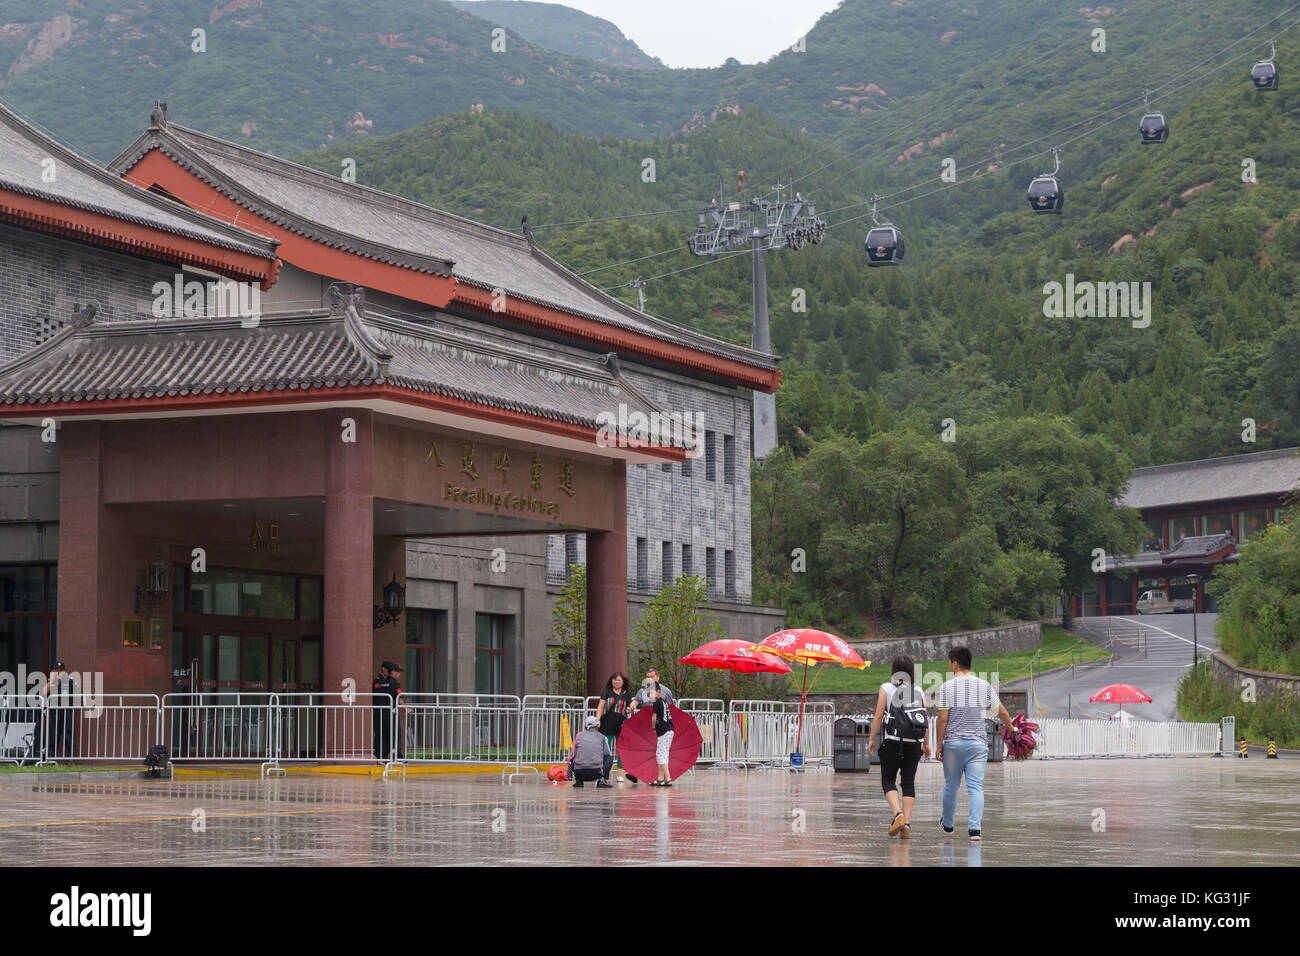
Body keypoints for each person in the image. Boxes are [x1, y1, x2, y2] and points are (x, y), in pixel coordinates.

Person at [935, 646, 1017, 841]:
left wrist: (939, 744)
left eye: (950, 662)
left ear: (955, 663)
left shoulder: (947, 687)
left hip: (954, 745)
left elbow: (942, 719)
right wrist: (1012, 729)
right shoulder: (984, 686)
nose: (949, 665)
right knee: (976, 787)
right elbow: (1002, 712)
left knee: (951, 786)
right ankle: (974, 830)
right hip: (978, 745)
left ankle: (948, 825)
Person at [868, 655, 931, 839]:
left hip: (892, 742)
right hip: (914, 744)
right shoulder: (918, 690)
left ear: (894, 671)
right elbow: (924, 720)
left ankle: (898, 815)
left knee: (888, 780)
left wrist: (872, 738)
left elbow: (879, 715)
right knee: (908, 782)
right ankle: (907, 824)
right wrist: (926, 744)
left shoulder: (886, 688)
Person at [595, 672, 632, 772]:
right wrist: (597, 720)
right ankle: (603, 769)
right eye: (614, 679)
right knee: (605, 746)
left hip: (621, 723)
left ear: (623, 682)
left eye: (618, 680)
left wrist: (630, 709)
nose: (616, 682)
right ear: (611, 681)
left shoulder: (626, 694)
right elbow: (601, 706)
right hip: (607, 722)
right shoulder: (606, 692)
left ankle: (621, 769)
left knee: (621, 747)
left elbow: (628, 708)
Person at [42, 662, 79, 758]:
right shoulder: (51, 682)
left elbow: (78, 693)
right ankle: (50, 758)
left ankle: (71, 758)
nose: (59, 672)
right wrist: (54, 680)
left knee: (68, 735)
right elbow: (44, 692)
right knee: (53, 735)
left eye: (61, 670)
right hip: (54, 712)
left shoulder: (70, 681)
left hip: (66, 712)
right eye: (57, 670)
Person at [567, 715, 614, 788]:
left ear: (585, 726)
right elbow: (607, 754)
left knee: (574, 758)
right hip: (596, 773)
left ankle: (579, 781)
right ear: (597, 726)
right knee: (609, 758)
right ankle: (602, 779)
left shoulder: (579, 736)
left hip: (579, 773)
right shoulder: (602, 737)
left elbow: (576, 754)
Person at [372, 662, 404, 761]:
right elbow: (399, 698)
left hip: (379, 712)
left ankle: (381, 757)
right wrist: (406, 708)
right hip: (388, 713)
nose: (399, 675)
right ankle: (396, 756)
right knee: (394, 734)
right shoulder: (392, 683)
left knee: (382, 734)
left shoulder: (378, 682)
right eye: (397, 672)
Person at [648, 680, 675, 786]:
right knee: (662, 753)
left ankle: (668, 778)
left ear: (658, 692)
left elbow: (654, 717)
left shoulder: (657, 702)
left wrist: (653, 727)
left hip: (663, 730)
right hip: (669, 729)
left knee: (661, 754)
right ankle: (660, 778)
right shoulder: (663, 701)